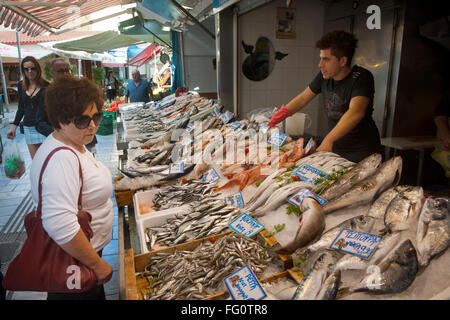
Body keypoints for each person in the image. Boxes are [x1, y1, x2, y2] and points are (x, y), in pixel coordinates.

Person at [31, 75, 113, 300]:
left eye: (96, 116)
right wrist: (97, 265)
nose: (93, 125)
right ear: (59, 120)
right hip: (77, 263)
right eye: (82, 120)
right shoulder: (62, 159)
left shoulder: (71, 143)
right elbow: (59, 224)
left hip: (82, 258)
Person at [268, 30, 383, 163]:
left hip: (363, 153)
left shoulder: (361, 77)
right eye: (321, 58)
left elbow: (355, 112)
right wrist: (276, 118)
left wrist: (328, 140)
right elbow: (303, 98)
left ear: (343, 61)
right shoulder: (324, 77)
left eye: (326, 59)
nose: (320, 64)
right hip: (337, 149)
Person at [35, 58, 98, 155]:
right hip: (64, 144)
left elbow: (90, 115)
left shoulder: (79, 90)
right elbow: (39, 123)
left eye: (67, 70)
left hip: (84, 141)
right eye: (60, 71)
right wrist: (62, 133)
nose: (65, 74)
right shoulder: (47, 94)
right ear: (52, 73)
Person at [6, 56, 49, 159]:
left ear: (37, 69)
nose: (29, 71)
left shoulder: (47, 86)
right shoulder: (21, 85)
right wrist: (13, 127)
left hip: (44, 127)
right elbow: (21, 108)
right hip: (29, 127)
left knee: (47, 161)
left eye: (32, 68)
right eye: (26, 69)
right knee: (36, 162)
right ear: (23, 71)